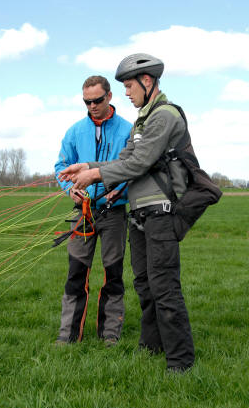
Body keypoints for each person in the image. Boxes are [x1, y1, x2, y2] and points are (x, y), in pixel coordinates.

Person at [58, 54, 195, 372]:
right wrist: (88, 166)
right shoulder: (142, 123)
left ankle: (180, 362)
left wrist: (94, 176)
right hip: (140, 214)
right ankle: (151, 348)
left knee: (164, 285)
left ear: (147, 82)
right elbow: (124, 159)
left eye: (130, 85)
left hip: (162, 210)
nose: (127, 92)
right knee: (145, 284)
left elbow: (140, 162)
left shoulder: (164, 116)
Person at [54, 75, 132, 346]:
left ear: (110, 97)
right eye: (87, 102)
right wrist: (69, 190)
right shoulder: (75, 131)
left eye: (97, 100)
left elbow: (134, 168)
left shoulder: (128, 131)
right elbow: (61, 167)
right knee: (76, 273)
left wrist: (119, 190)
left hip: (115, 214)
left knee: (113, 274)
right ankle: (68, 337)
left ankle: (110, 335)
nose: (92, 106)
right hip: (82, 213)